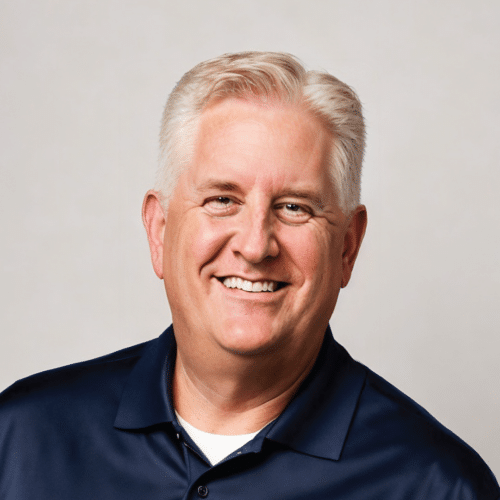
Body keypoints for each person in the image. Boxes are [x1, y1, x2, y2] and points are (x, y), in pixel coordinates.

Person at [0, 51, 498, 500]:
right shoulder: (20, 439)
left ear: (347, 246)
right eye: (222, 200)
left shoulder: (439, 486)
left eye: (294, 207)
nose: (256, 245)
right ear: (159, 230)